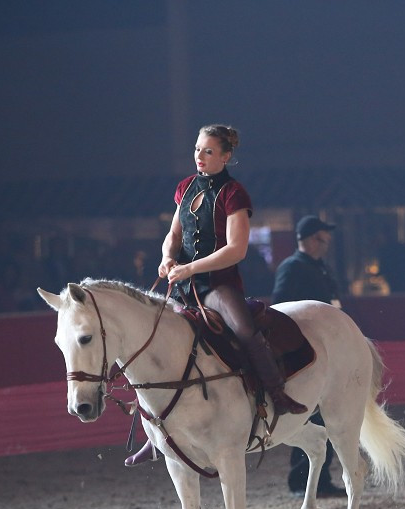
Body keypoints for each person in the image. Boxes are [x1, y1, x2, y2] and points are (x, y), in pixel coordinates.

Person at [125, 124, 308, 468]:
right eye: (197, 150)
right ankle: (154, 433)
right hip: (183, 284)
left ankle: (279, 396)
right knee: (152, 345)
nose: (201, 157)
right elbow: (173, 234)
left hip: (218, 286)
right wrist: (166, 257)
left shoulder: (233, 194)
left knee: (245, 331)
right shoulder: (185, 188)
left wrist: (191, 269)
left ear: (225, 156)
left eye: (209, 151)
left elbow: (236, 249)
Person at [271, 215, 345, 497]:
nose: (326, 243)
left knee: (321, 415)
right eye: (323, 237)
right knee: (310, 416)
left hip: (321, 348)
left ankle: (318, 479)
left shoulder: (317, 266)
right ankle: (303, 479)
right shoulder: (293, 267)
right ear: (313, 238)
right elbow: (280, 307)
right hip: (306, 352)